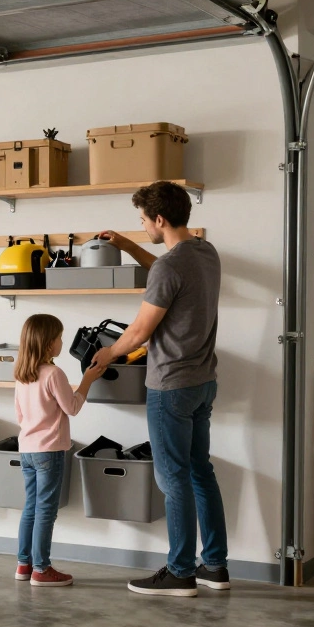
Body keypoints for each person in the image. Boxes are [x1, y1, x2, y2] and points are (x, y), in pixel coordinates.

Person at [92, 180, 229, 598]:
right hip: (203, 382)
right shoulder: (205, 252)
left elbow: (139, 332)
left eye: (143, 221)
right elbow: (166, 270)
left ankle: (180, 571)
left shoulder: (171, 267)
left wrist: (108, 354)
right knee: (200, 472)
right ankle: (215, 567)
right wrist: (129, 246)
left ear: (160, 219)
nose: (142, 226)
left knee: (174, 480)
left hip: (170, 386)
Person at [13, 313, 107, 587]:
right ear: (47, 343)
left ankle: (24, 563)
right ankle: (41, 569)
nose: (61, 342)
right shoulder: (54, 373)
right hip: (50, 451)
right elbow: (73, 408)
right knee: (45, 511)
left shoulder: (21, 375)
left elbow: (20, 415)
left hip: (27, 449)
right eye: (59, 338)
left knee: (30, 507)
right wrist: (87, 379)